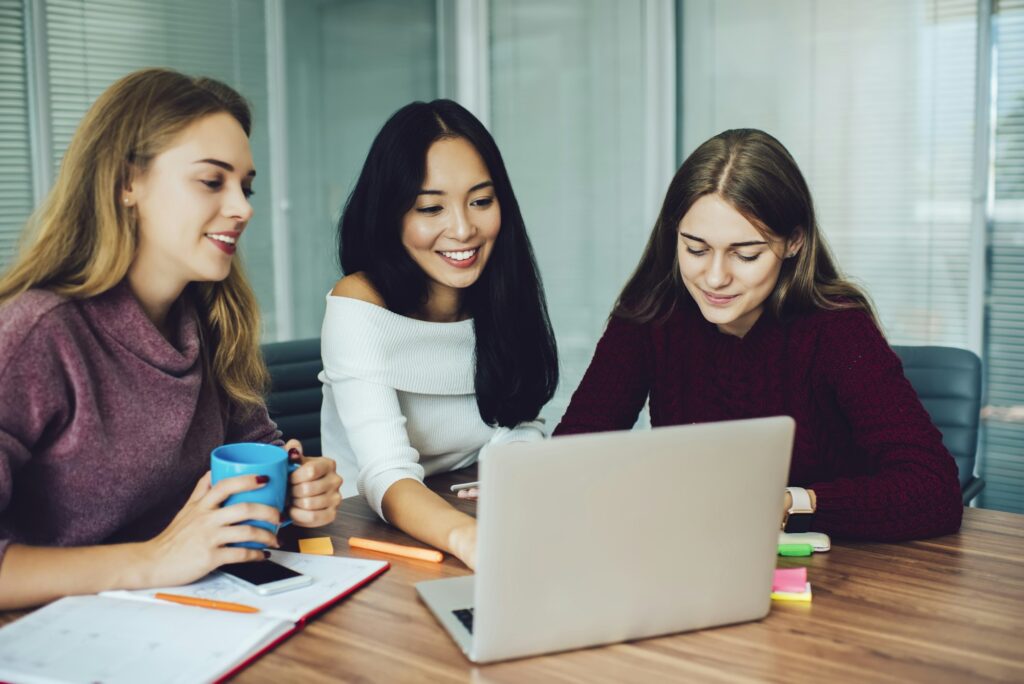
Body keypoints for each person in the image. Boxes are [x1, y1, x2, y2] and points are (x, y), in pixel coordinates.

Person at [0, 68, 342, 610]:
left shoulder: (210, 318)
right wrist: (156, 558)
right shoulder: (35, 336)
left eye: (246, 187)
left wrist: (297, 483)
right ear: (125, 183)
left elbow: (258, 450)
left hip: (194, 614)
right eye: (212, 181)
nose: (244, 207)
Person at [555, 128, 963, 541]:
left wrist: (793, 503)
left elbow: (934, 489)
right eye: (695, 249)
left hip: (833, 572)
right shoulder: (650, 315)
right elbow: (570, 456)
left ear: (794, 243)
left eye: (746, 254)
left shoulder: (838, 329)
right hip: (697, 560)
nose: (715, 277)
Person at [321, 99, 558, 568]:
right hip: (367, 538)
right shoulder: (360, 303)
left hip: (463, 513)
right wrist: (474, 540)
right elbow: (386, 474)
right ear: (392, 216)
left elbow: (518, 419)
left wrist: (511, 461)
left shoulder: (498, 288)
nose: (464, 229)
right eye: (431, 207)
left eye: (481, 201)